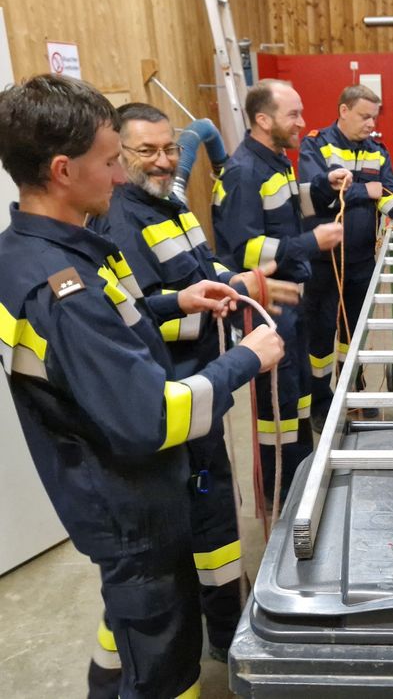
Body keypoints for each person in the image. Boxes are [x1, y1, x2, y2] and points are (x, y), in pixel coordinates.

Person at [0, 75, 283, 699]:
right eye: (110, 162)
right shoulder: (59, 289)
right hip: (127, 498)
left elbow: (104, 336)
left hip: (111, 487)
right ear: (62, 170)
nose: (122, 177)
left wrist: (171, 301)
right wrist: (246, 359)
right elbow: (149, 417)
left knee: (129, 630)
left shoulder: (35, 251)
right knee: (164, 665)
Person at [89, 102, 299, 668]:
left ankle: (228, 626)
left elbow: (201, 269)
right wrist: (220, 311)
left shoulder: (172, 204)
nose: (162, 162)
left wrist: (234, 283)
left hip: (205, 388)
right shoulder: (119, 220)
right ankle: (212, 638)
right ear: (119, 155)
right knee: (185, 526)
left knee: (216, 524)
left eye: (170, 149)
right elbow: (140, 321)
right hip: (171, 394)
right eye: (146, 151)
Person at [212, 79, 347, 505]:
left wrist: (325, 186)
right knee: (277, 406)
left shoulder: (276, 162)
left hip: (291, 298)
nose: (302, 123)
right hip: (266, 307)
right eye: (293, 114)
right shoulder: (242, 172)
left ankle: (301, 475)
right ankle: (280, 493)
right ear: (262, 119)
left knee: (299, 395)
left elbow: (289, 210)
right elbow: (245, 249)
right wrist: (313, 243)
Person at [298, 84, 393, 428]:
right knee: (320, 337)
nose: (370, 124)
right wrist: (367, 190)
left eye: (374, 118)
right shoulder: (316, 144)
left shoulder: (377, 150)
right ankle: (321, 400)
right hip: (325, 261)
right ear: (343, 110)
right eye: (364, 116)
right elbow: (314, 194)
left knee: (355, 334)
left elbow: (389, 194)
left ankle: (354, 393)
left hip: (362, 259)